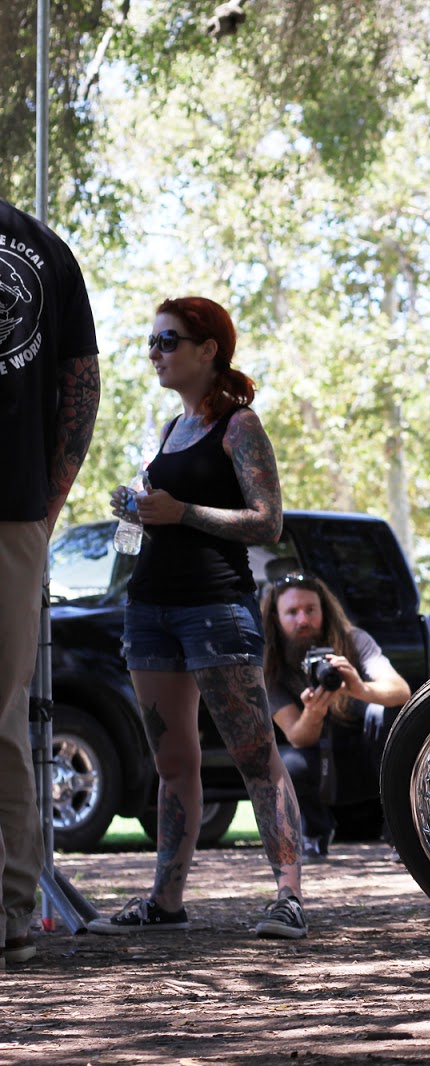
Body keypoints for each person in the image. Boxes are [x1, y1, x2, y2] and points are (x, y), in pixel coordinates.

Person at [86, 296, 307, 940]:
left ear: (207, 349)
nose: (155, 353)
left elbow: (268, 522)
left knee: (254, 755)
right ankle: (166, 903)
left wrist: (181, 512)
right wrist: (138, 509)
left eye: (168, 341)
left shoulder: (239, 426)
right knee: (173, 763)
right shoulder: (169, 430)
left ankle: (289, 899)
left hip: (215, 609)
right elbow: (160, 518)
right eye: (151, 342)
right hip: (150, 609)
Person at [0, 199, 100, 968]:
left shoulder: (42, 249)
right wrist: (45, 504)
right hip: (18, 513)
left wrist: (44, 505)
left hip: (18, 510)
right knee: (3, 714)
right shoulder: (43, 246)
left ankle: (11, 909)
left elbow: (81, 384)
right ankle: (11, 911)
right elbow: (81, 389)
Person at [261, 572, 411, 861]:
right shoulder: (271, 662)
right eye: (292, 612)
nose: (303, 620)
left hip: (372, 760)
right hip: (322, 768)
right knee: (286, 761)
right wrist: (314, 713)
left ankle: (403, 832)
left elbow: (401, 691)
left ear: (324, 610)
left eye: (310, 609)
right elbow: (297, 736)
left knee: (383, 712)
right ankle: (313, 833)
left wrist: (361, 689)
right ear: (276, 618)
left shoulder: (354, 640)